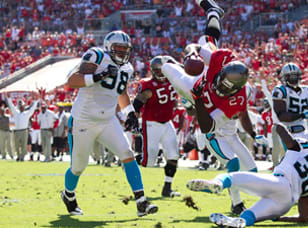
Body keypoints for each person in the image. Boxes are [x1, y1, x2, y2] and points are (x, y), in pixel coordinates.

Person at [161, 0, 259, 214]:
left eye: (228, 88)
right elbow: (193, 46)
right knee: (170, 63)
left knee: (251, 170)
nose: (223, 88)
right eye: (222, 83)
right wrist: (191, 56)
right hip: (195, 82)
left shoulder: (237, 100)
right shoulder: (219, 59)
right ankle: (236, 204)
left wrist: (196, 99)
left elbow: (206, 127)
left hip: (212, 123)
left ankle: (240, 197)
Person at [62, 30, 157, 216]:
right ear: (108, 47)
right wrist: (99, 75)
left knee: (127, 154)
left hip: (107, 120)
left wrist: (130, 113)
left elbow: (120, 93)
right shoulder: (96, 56)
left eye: (125, 49)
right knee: (78, 167)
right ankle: (68, 195)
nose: (122, 52)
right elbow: (72, 81)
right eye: (118, 48)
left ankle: (141, 202)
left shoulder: (127, 68)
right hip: (84, 119)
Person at [186, 121, 308, 227]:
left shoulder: (305, 146)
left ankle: (217, 183)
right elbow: (304, 218)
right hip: (286, 204)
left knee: (235, 177)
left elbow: (283, 133)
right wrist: (280, 217)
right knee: (249, 216)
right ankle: (238, 221)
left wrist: (282, 127)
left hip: (279, 184)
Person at [132, 55, 181, 198]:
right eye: (156, 71)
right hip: (151, 123)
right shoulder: (148, 85)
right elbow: (138, 102)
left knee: (173, 156)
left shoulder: (174, 80)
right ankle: (129, 160)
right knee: (149, 162)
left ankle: (167, 188)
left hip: (167, 123)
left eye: (161, 70)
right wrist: (133, 117)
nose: (159, 73)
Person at [5, 93, 39, 161]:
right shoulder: (16, 112)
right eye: (20, 106)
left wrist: (36, 101)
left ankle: (22, 156)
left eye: (22, 106)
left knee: (24, 145)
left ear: (24, 107)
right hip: (17, 131)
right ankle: (18, 155)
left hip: (24, 131)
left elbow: (32, 108)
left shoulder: (27, 113)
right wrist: (8, 99)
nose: (21, 107)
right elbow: (11, 106)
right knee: (16, 144)